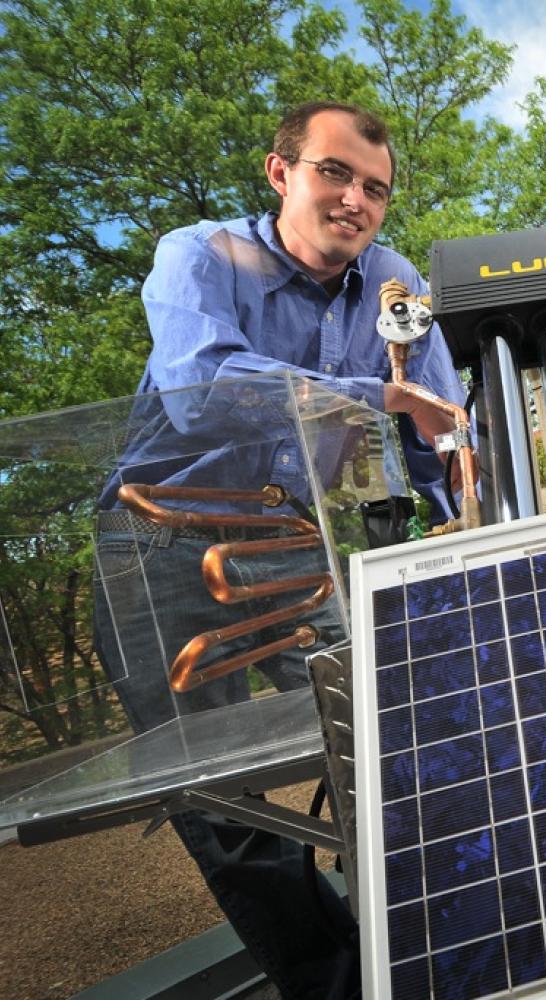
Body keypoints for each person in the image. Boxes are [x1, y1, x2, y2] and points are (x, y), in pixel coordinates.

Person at [92, 102, 465, 999]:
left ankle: (439, 950)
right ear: (280, 172)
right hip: (158, 544)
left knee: (394, 738)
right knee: (216, 797)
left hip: (298, 545)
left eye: (376, 188)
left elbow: (441, 428)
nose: (356, 200)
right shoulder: (201, 254)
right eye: (334, 173)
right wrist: (374, 397)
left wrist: (463, 511)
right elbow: (197, 388)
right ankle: (337, 983)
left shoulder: (396, 283)